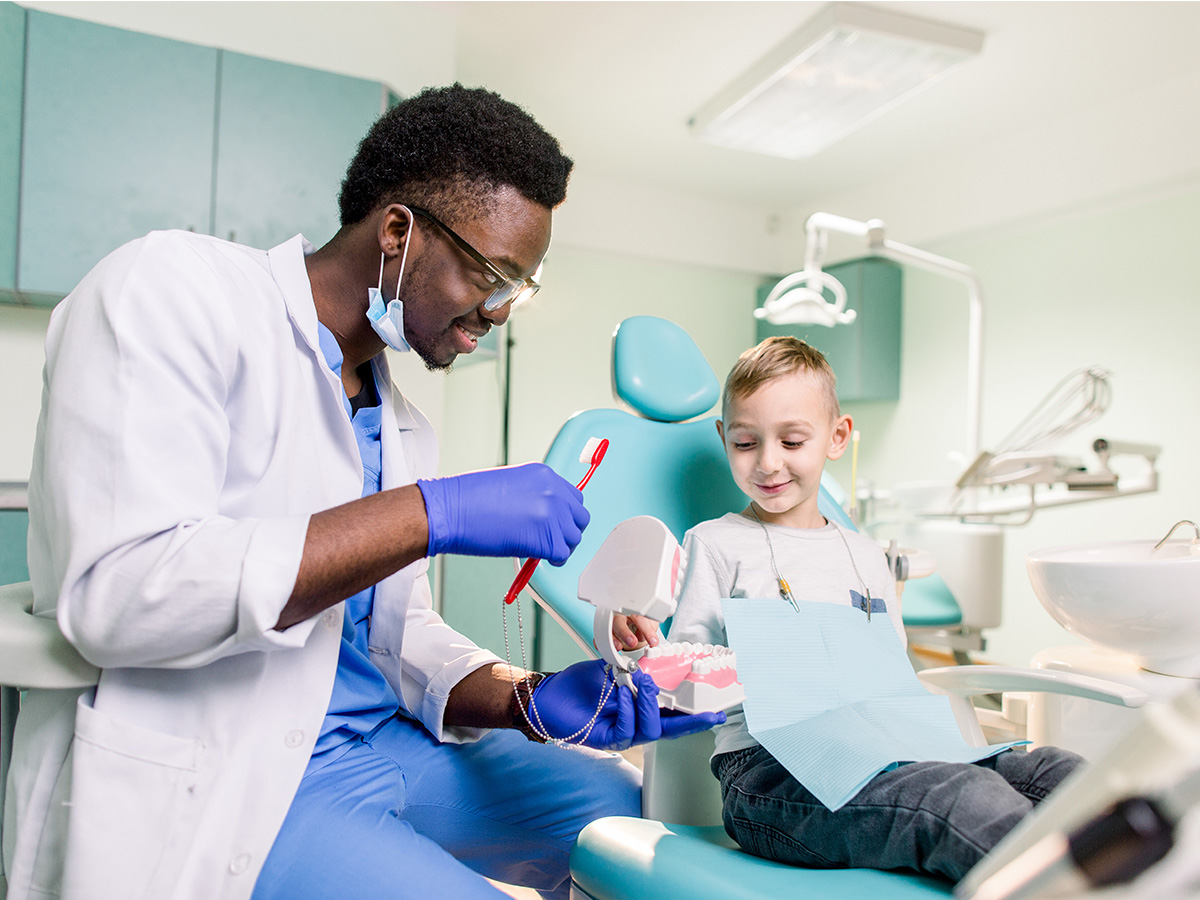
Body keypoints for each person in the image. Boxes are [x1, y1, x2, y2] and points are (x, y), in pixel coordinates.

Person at [3, 85, 721, 900]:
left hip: (377, 740)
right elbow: (123, 592)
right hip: (240, 769)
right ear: (396, 230)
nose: (498, 312)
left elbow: (391, 635)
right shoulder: (171, 291)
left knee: (639, 822)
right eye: (492, 275)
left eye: (518, 290)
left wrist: (530, 699)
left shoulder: (402, 421)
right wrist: (427, 515)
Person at [617, 335, 1082, 885]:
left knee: (1061, 775)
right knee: (967, 799)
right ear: (724, 439)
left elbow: (889, 676)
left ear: (837, 437)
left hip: (887, 748)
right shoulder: (716, 544)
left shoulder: (867, 555)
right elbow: (683, 676)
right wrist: (648, 655)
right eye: (746, 443)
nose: (768, 463)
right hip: (772, 774)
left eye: (792, 441)